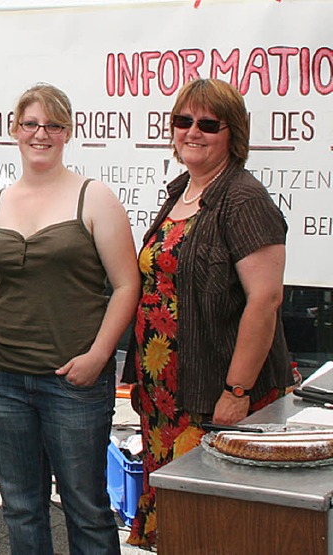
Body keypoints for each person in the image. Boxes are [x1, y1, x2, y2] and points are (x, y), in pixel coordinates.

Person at [0, 83, 140, 554]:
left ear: (68, 132)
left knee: (86, 508)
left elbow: (127, 286)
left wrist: (98, 357)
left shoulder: (94, 198)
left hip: (74, 383)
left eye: (52, 124)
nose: (41, 134)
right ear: (14, 130)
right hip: (3, 380)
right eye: (31, 124)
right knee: (21, 509)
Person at [122, 78, 297, 550]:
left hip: (215, 395)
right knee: (184, 525)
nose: (192, 132)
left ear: (232, 133)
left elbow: (265, 300)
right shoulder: (183, 190)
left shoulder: (243, 199)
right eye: (183, 121)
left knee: (219, 529)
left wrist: (236, 391)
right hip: (167, 397)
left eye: (207, 124)